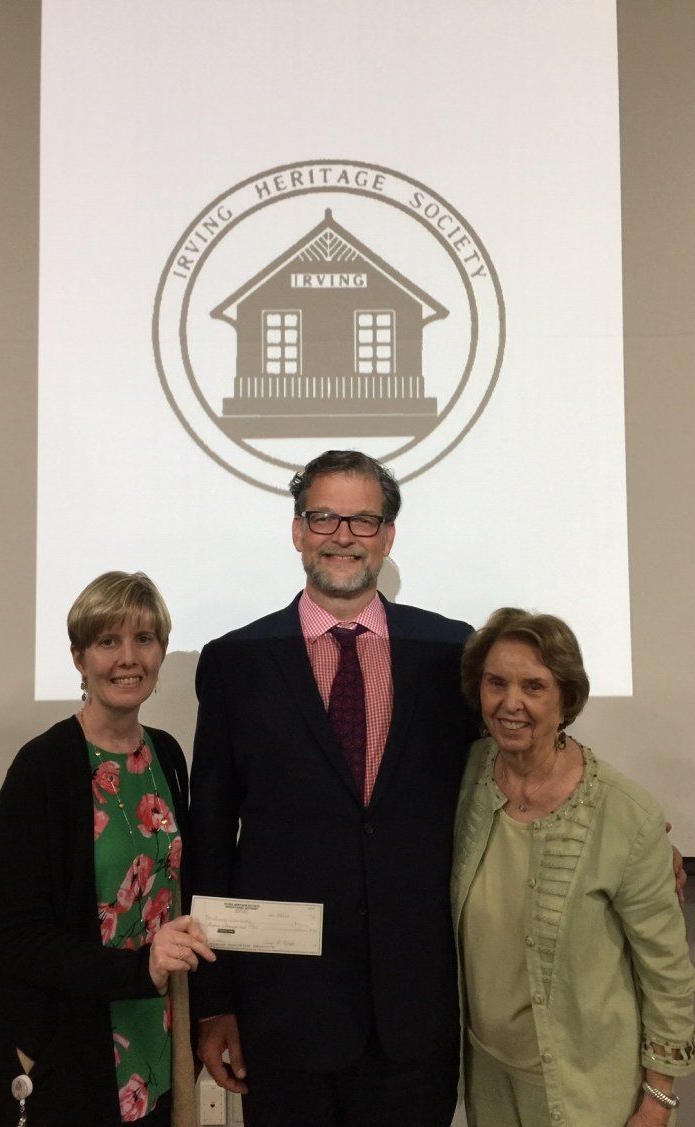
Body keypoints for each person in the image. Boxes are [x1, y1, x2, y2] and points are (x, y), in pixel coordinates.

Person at [190, 450, 475, 1126]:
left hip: (414, 1013)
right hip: (283, 1013)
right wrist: (213, 1001)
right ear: (297, 530)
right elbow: (210, 835)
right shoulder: (236, 661)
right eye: (323, 517)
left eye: (363, 520)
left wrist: (629, 838)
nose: (343, 535)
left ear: (388, 536)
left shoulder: (452, 653)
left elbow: (511, 772)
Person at [0, 572, 215, 1127]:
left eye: (144, 639)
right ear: (79, 657)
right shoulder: (41, 769)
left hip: (153, 1032)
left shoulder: (167, 756)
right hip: (69, 1048)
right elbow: (15, 935)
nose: (128, 658)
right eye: (107, 641)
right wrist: (139, 969)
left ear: (162, 651)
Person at [452, 608, 695, 1127]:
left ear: (567, 698)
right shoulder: (466, 776)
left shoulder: (624, 813)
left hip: (589, 1089)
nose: (510, 703)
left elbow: (666, 970)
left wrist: (659, 1098)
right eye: (496, 683)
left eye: (534, 687)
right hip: (487, 1077)